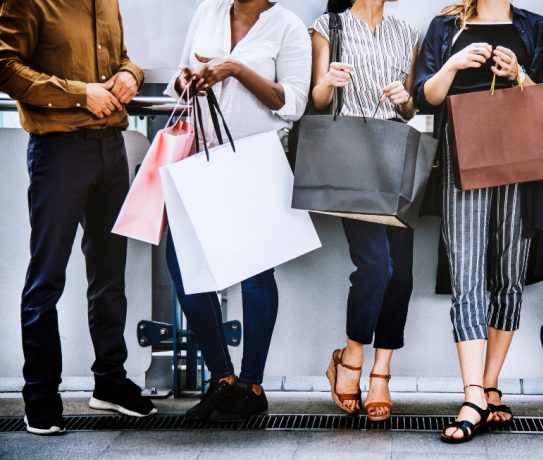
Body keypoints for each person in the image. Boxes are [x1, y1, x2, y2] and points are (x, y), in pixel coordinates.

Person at [0, 0, 157, 435]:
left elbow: (121, 59)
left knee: (110, 274)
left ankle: (110, 382)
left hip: (111, 149)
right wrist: (78, 92)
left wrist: (131, 75)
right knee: (46, 278)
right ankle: (40, 398)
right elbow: (5, 67)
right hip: (59, 152)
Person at [414, 0, 543, 443]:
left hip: (520, 158)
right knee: (467, 270)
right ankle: (472, 393)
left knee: (509, 273)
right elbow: (425, 96)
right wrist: (454, 64)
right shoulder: (446, 26)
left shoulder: (536, 28)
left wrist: (518, 74)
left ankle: (491, 384)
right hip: (462, 155)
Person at [163, 0, 311, 421]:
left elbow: (293, 103)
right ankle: (223, 379)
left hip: (257, 161)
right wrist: (188, 80)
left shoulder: (287, 26)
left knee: (255, 273)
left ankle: (252, 385)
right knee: (183, 265)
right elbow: (177, 76)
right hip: (199, 158)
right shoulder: (208, 12)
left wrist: (235, 69)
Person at [311, 0, 419, 422]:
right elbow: (319, 100)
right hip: (351, 154)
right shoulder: (328, 25)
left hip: (395, 152)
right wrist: (330, 80)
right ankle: (351, 353)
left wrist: (404, 98)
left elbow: (410, 110)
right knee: (377, 266)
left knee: (402, 274)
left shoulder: (405, 32)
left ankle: (381, 372)